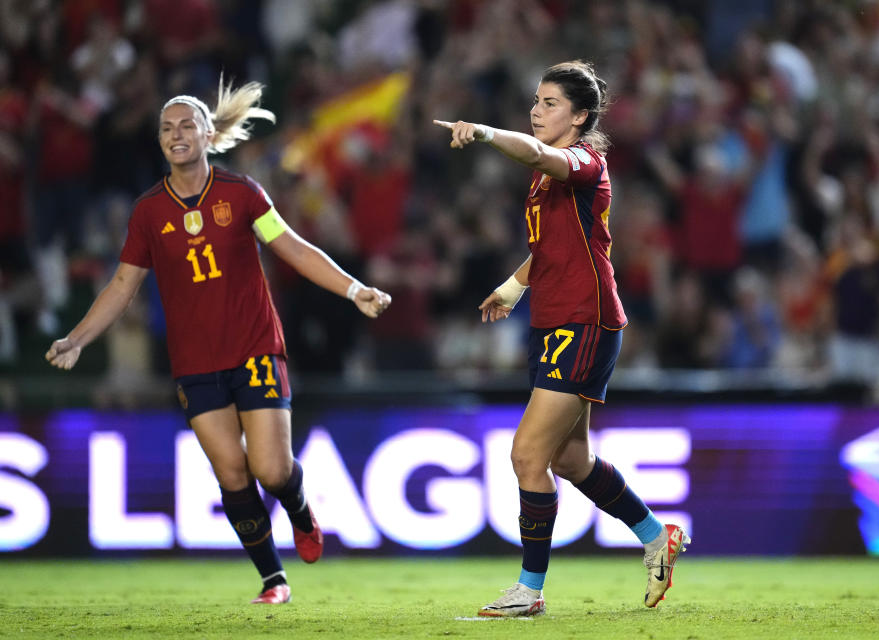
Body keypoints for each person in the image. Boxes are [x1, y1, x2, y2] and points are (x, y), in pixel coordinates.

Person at [46, 77, 392, 604]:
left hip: (255, 346)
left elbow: (293, 248)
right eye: (167, 128)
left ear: (208, 136)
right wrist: (77, 338)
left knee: (272, 469)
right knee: (231, 472)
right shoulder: (148, 212)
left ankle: (299, 509)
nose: (176, 134)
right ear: (160, 141)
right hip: (194, 362)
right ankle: (273, 579)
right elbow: (122, 286)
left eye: (187, 125)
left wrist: (353, 288)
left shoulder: (243, 193)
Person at [435, 60, 690, 617]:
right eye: (536, 100)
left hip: (585, 320)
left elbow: (534, 151)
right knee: (572, 461)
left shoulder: (582, 161)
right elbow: (548, 249)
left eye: (550, 103)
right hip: (553, 322)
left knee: (527, 455)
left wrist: (481, 131)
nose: (536, 110)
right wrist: (511, 287)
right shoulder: (546, 179)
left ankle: (529, 591)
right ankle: (656, 536)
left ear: (579, 117)